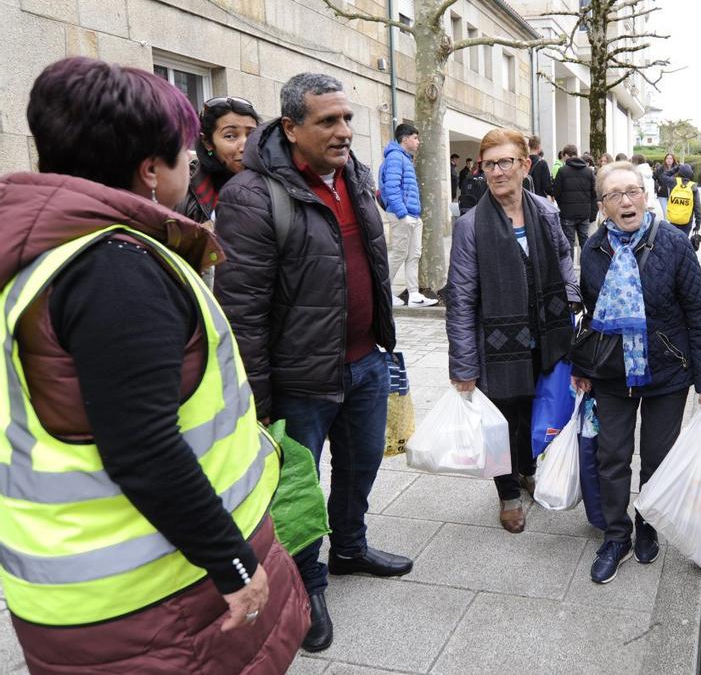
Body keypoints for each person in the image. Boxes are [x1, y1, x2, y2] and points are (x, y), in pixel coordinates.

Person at [0, 57, 308, 672]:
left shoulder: (48, 254)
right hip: (148, 590)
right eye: (183, 154)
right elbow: (142, 446)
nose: (192, 164)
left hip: (93, 577)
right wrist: (233, 563)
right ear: (149, 170)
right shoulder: (115, 269)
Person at [215, 72, 412, 654]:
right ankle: (307, 582)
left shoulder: (354, 175)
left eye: (347, 119)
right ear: (292, 126)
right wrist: (259, 400)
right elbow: (243, 312)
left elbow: (370, 263)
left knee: (362, 464)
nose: (344, 131)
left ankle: (350, 546)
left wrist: (383, 342)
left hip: (365, 361)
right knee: (298, 488)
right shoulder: (250, 196)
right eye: (328, 121)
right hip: (300, 380)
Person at [572, 161, 701, 584]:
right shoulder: (594, 249)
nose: (626, 201)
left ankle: (648, 522)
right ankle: (616, 535)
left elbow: (699, 312)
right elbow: (589, 315)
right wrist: (581, 368)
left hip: (666, 372)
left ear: (646, 195)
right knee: (612, 456)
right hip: (611, 373)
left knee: (657, 458)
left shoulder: (674, 244)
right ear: (602, 206)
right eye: (615, 195)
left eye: (633, 191)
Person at [445, 129, 580, 533]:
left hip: (545, 332)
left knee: (532, 411)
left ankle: (525, 467)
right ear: (481, 169)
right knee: (501, 419)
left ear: (525, 165)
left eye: (507, 162)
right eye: (490, 164)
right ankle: (507, 492)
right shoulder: (470, 227)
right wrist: (463, 366)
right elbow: (462, 299)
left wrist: (570, 297)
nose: (498, 171)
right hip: (498, 344)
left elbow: (562, 254)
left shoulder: (545, 211)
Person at [380, 123, 437, 307]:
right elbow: (392, 187)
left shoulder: (404, 158)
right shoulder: (396, 157)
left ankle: (414, 295)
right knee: (399, 254)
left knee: (414, 255)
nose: (418, 142)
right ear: (405, 139)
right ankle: (382, 292)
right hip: (402, 215)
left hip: (413, 215)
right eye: (415, 138)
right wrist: (403, 214)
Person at [181, 95, 261, 224]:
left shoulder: (276, 184)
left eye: (251, 135)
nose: (245, 146)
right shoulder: (183, 188)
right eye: (230, 136)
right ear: (207, 142)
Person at [553, 144, 598, 255]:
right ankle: (588, 268)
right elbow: (594, 194)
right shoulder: (589, 172)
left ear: (567, 155)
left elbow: (556, 193)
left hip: (567, 214)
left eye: (563, 156)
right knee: (585, 241)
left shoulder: (562, 171)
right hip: (584, 213)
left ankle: (570, 270)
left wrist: (562, 206)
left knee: (569, 242)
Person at [664, 163, 701, 237]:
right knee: (683, 241)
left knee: (673, 241)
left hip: (673, 219)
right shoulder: (693, 187)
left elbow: (663, 175)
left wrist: (675, 168)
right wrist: (698, 224)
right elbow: (697, 207)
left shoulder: (674, 182)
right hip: (687, 221)